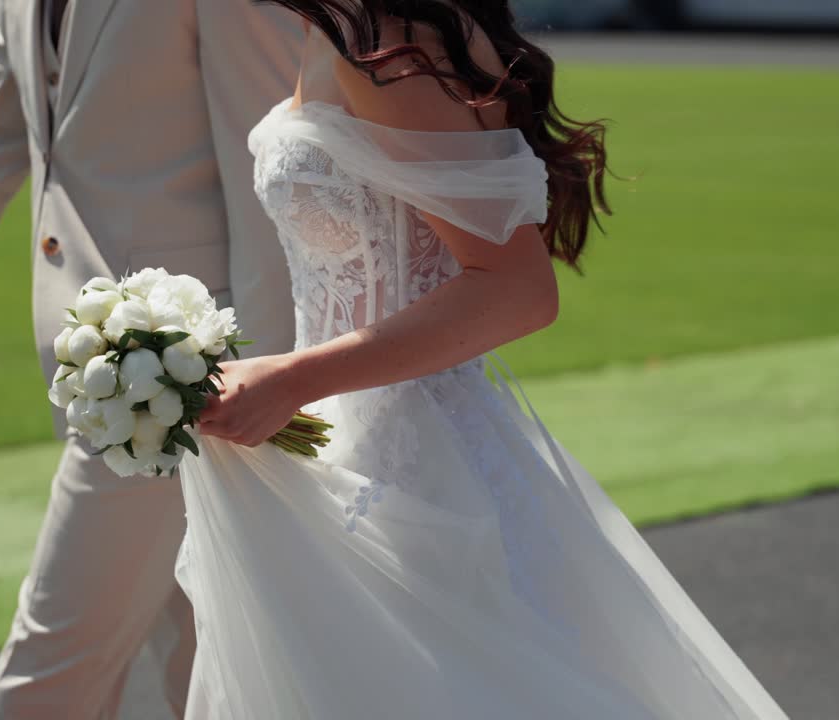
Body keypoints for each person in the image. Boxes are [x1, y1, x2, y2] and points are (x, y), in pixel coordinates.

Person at [174, 1, 790, 717]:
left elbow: (519, 290)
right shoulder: (337, 26)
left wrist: (291, 379)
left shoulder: (390, 46)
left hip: (411, 470)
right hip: (337, 445)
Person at [0, 1, 302, 717]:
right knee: (202, 664)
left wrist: (273, 373)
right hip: (100, 378)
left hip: (192, 385)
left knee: (42, 686)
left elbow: (272, 167)